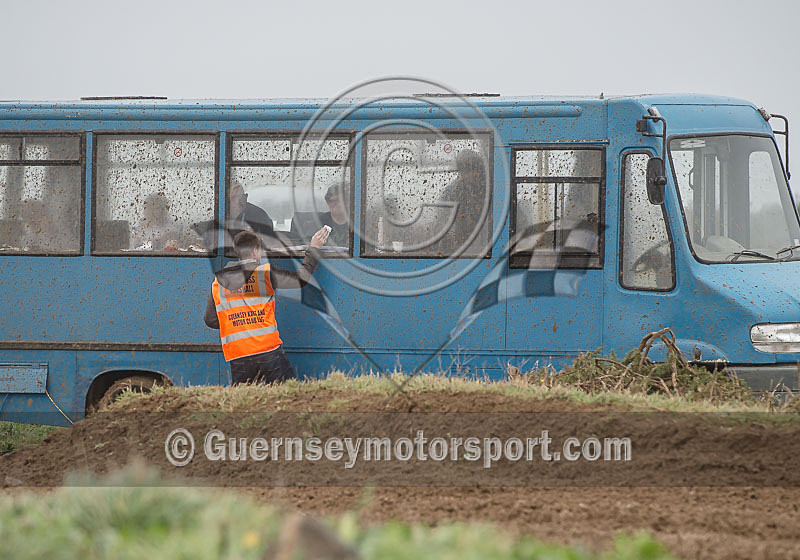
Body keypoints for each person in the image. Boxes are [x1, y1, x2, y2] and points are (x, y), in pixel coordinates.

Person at [203, 226, 330, 384]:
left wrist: (239, 323)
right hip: (268, 351)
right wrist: (314, 248)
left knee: (244, 397)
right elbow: (301, 278)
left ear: (237, 252)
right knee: (283, 392)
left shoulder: (219, 282)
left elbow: (210, 320)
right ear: (255, 251)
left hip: (238, 354)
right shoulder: (264, 274)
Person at [435, 150, 489, 255]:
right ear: (460, 172)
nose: (471, 174)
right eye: (466, 170)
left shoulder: (490, 190)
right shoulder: (451, 192)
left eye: (474, 169)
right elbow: (442, 220)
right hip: (458, 246)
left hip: (485, 246)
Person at [317, 183, 350, 247]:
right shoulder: (319, 222)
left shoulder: (358, 222)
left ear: (347, 202)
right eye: (330, 201)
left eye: (337, 200)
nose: (333, 204)